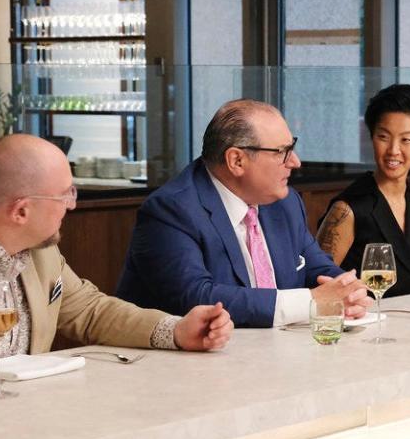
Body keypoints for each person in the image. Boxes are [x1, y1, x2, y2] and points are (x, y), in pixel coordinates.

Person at [0, 135, 233, 377]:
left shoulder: (40, 248)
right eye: (64, 195)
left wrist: (176, 330)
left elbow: (90, 312)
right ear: (21, 211)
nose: (72, 204)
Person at [116, 100, 371, 327]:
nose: (295, 162)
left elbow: (317, 266)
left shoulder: (285, 203)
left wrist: (347, 290)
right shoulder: (171, 211)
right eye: (282, 152)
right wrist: (310, 301)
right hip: (181, 367)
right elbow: (196, 297)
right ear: (236, 161)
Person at [317, 85, 410, 297]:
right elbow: (320, 290)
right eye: (383, 137)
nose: (393, 150)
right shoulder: (347, 210)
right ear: (371, 136)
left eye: (406, 140)